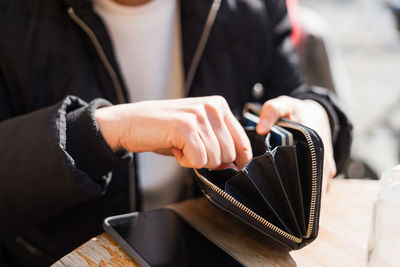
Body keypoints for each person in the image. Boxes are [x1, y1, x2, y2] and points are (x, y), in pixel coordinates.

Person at [0, 0, 352, 266]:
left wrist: (318, 118)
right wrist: (100, 132)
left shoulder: (251, 7)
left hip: (226, 248)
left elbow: (292, 102)